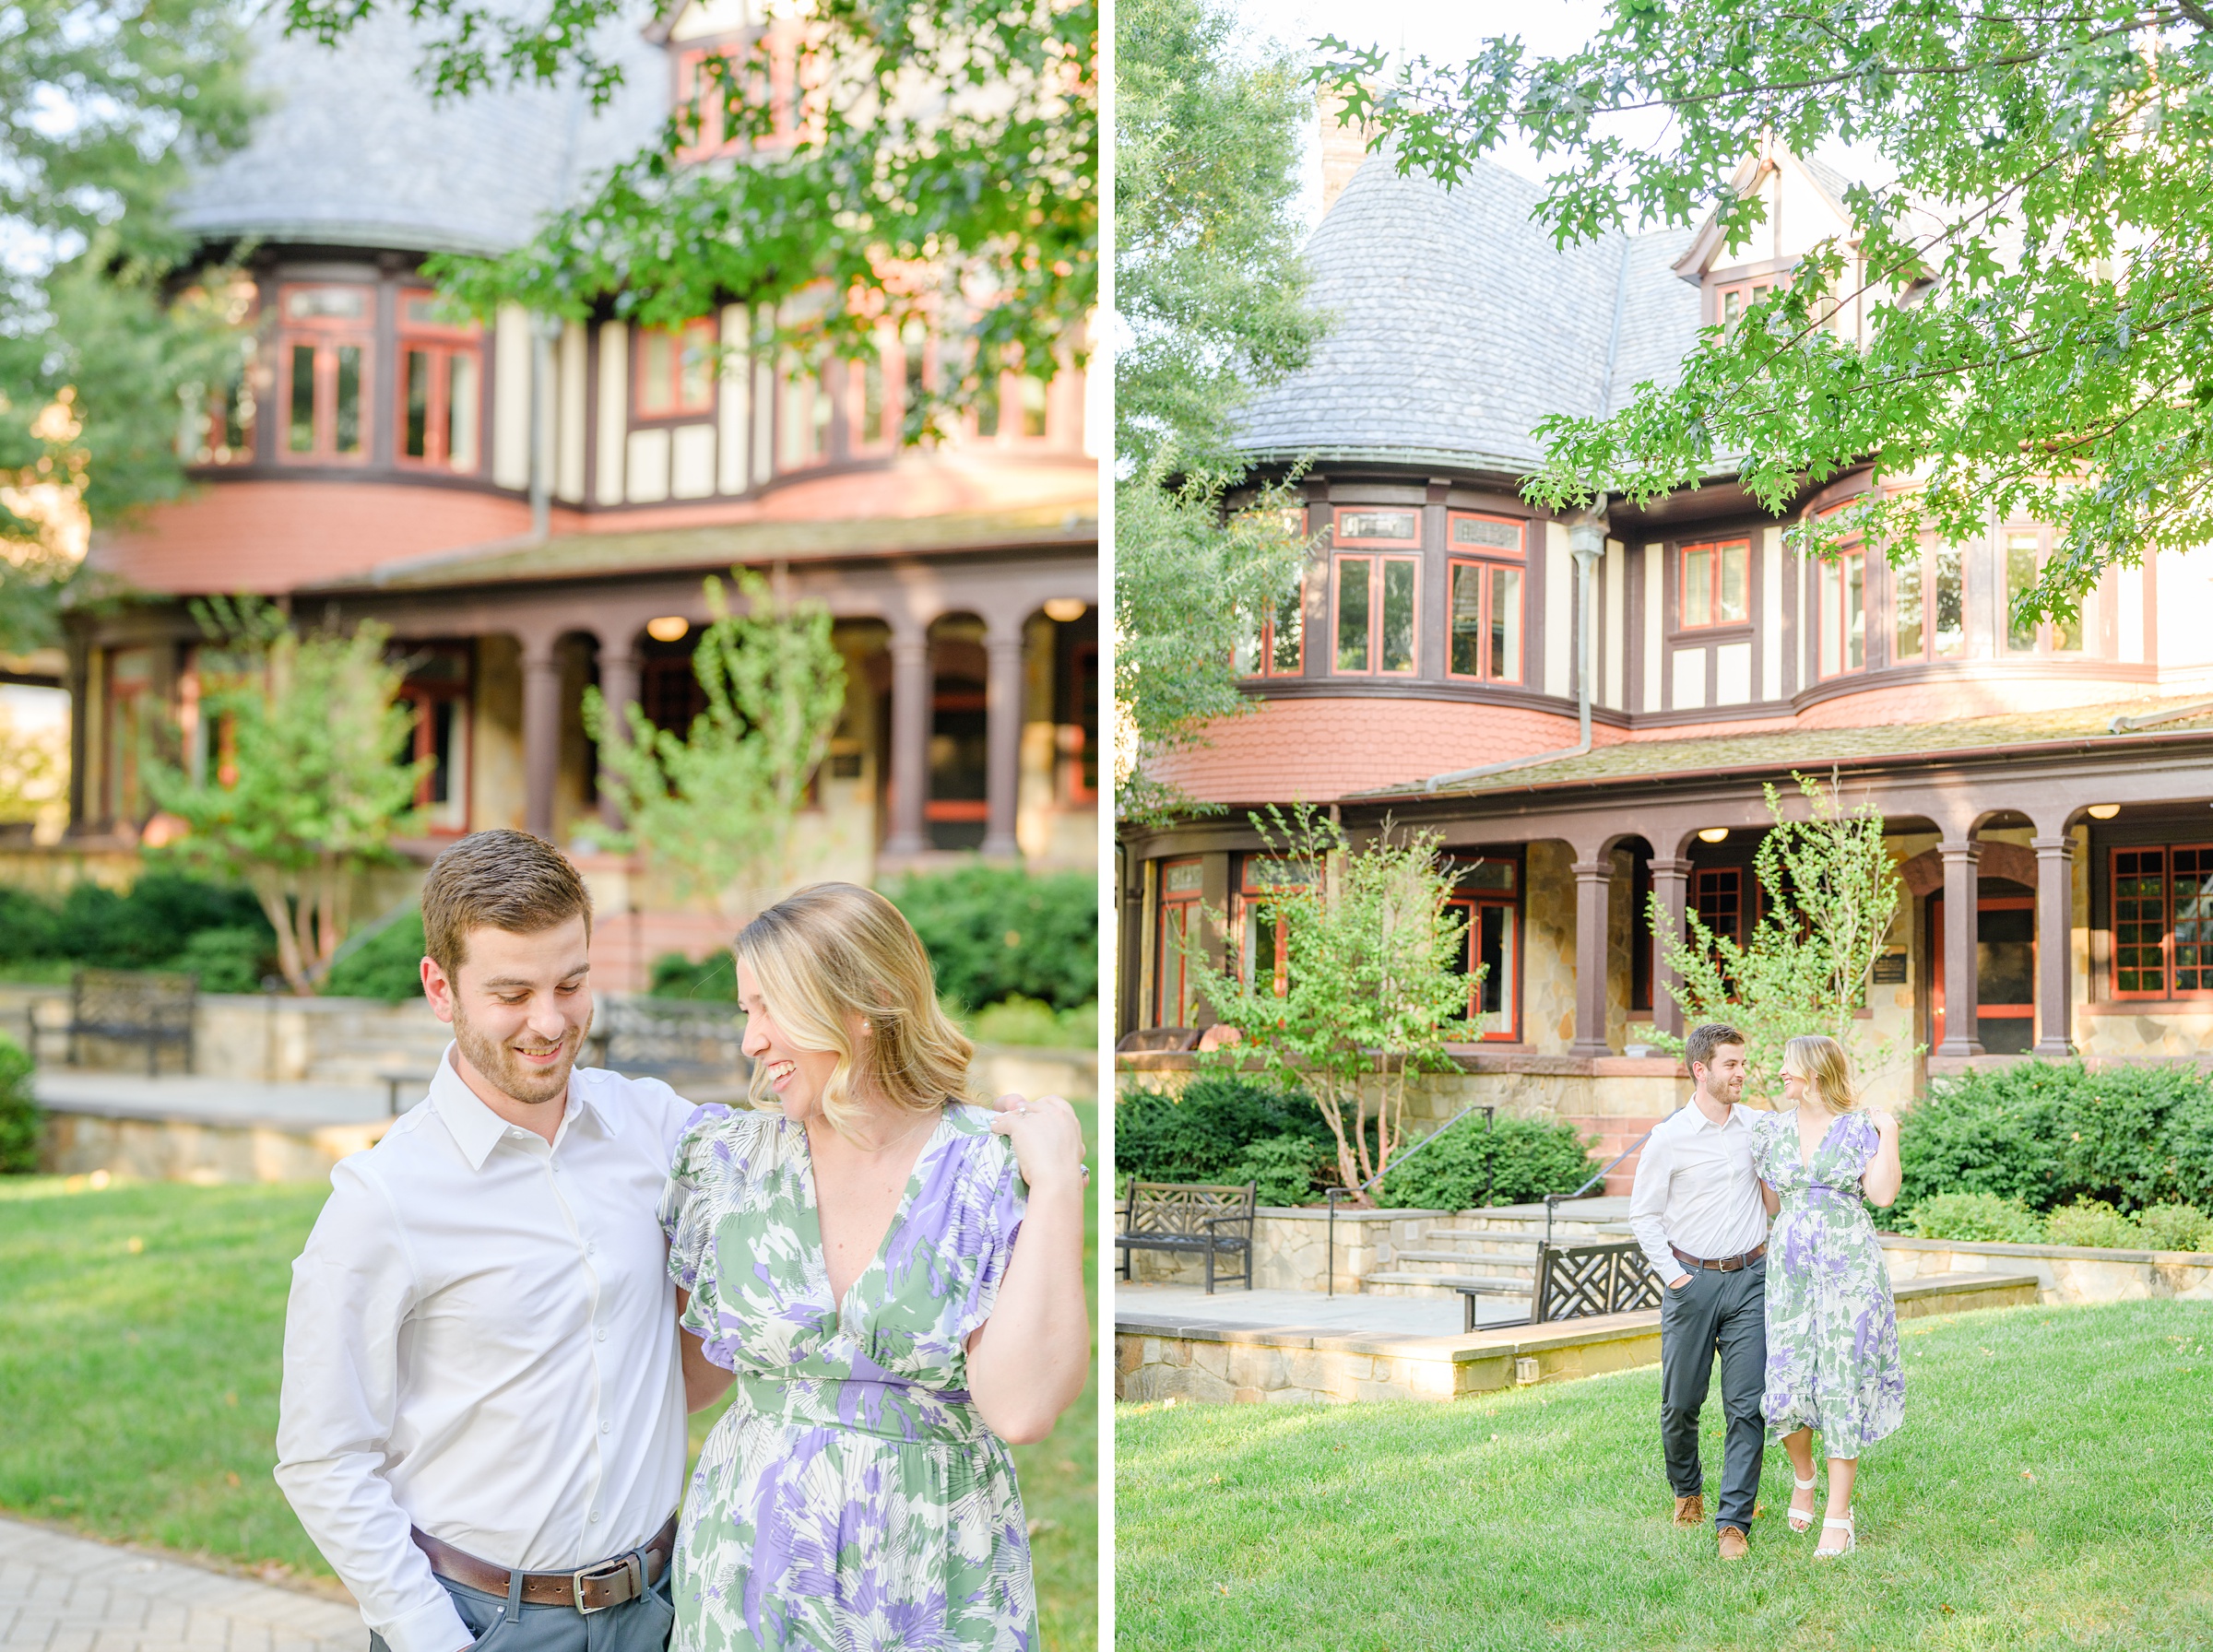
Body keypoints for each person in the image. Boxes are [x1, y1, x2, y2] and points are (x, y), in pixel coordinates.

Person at [661, 881, 1088, 1652]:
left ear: (864, 1005)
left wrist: (1056, 1186)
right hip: (748, 1571)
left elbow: (1022, 1410)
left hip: (933, 1574)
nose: (750, 1041)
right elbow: (683, 1380)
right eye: (744, 1011)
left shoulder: (984, 1167)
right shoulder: (728, 1162)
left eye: (770, 1008)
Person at [1754, 1033, 1906, 1557]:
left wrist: (1889, 1133)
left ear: (1814, 1074)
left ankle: (1839, 1518)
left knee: (1841, 1379)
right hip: (1791, 1273)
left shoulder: (1863, 1127)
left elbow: (1883, 1195)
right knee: (1786, 1381)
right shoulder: (1771, 1130)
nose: (1780, 1073)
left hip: (1850, 1270)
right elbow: (1772, 1205)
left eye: (1787, 1066)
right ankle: (1804, 1474)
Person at [1627, 1021, 1769, 1561]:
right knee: (1681, 1404)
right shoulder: (1669, 1137)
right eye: (1730, 1064)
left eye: (1743, 1062)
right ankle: (1688, 1491)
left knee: (1747, 1405)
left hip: (1752, 1280)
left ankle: (1733, 1522)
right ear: (1700, 1070)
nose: (1741, 1073)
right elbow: (1643, 1216)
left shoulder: (1757, 1126)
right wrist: (1677, 1278)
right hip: (1693, 1284)